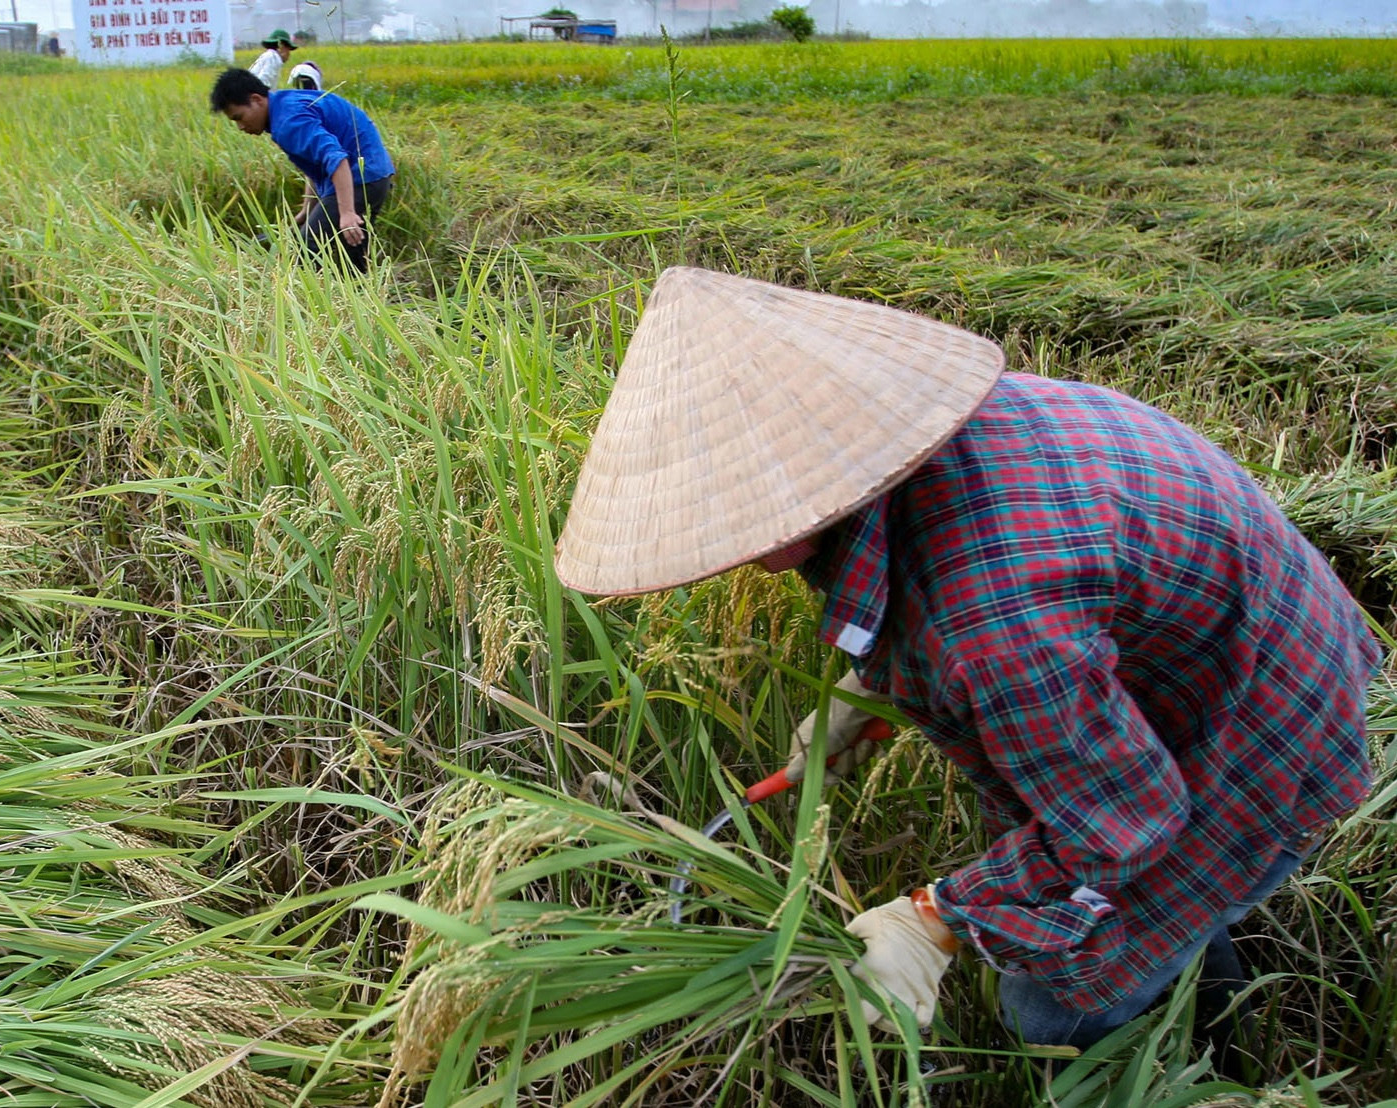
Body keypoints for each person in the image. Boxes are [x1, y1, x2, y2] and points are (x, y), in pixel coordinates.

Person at [553, 267, 1378, 1062]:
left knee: (1050, 1004)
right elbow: (941, 576)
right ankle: (1200, 976)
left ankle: (1183, 1067)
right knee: (1151, 896)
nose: (724, 552)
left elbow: (1124, 824)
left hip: (1266, 713)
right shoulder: (928, 434)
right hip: (1207, 644)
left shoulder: (993, 627)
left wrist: (934, 916)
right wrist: (869, 687)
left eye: (728, 519)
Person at [210, 68, 395, 274]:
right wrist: (307, 210)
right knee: (350, 247)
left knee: (308, 244)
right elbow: (316, 165)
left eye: (239, 117)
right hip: (372, 173)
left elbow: (337, 160)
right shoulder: (282, 104)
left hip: (361, 177)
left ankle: (306, 301)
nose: (241, 127)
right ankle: (359, 295)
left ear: (257, 99)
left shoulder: (289, 122)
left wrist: (347, 212)